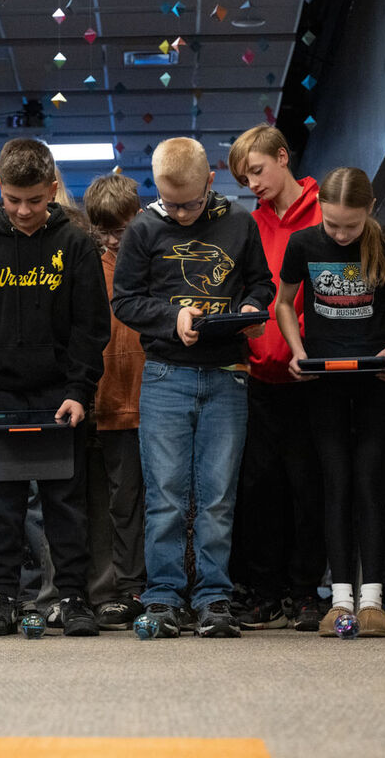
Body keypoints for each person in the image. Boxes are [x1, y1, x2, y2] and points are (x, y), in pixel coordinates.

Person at [111, 137, 275, 638]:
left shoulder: (239, 222)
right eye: (170, 203)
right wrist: (171, 316)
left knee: (217, 496)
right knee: (164, 494)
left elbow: (261, 283)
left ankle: (213, 595)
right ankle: (162, 595)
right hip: (165, 375)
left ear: (210, 181)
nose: (181, 214)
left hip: (227, 374)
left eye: (191, 203)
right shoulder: (143, 228)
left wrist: (251, 309)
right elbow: (125, 301)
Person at [0, 138, 111, 638]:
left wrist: (79, 390)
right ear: (0, 190)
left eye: (35, 200)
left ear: (52, 189)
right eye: (12, 200)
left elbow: (92, 328)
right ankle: (2, 595)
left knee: (64, 505)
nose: (23, 211)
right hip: (0, 397)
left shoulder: (75, 244)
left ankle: (73, 597)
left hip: (59, 397)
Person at [276, 166, 385, 637]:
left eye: (350, 226)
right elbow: (283, 303)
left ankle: (372, 599)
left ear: (369, 210)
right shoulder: (303, 244)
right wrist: (297, 351)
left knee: (369, 478)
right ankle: (339, 599)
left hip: (374, 374)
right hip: (323, 376)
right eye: (332, 223)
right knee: (334, 481)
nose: (339, 233)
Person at [226, 124, 328, 631]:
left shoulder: (326, 214)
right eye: (245, 178)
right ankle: (265, 592)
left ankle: (306, 592)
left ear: (283, 157)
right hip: (259, 378)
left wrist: (307, 351)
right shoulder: (249, 226)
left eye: (258, 171)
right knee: (260, 488)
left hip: (310, 377)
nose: (253, 184)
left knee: (308, 488)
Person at [81, 173, 147, 630]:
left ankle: (140, 589)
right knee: (108, 505)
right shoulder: (88, 268)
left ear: (138, 219)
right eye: (102, 232)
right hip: (100, 404)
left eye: (119, 231)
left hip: (150, 403)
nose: (110, 241)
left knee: (145, 504)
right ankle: (110, 591)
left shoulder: (157, 266)